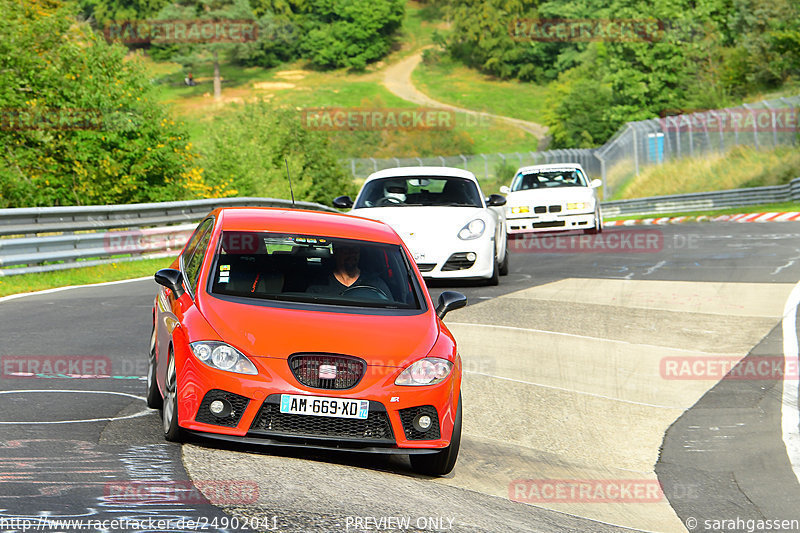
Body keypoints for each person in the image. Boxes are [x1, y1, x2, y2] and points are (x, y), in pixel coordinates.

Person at [307, 243, 392, 299]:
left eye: (355, 250)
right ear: (336, 253)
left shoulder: (376, 284)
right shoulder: (319, 286)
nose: (352, 254)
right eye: (346, 250)